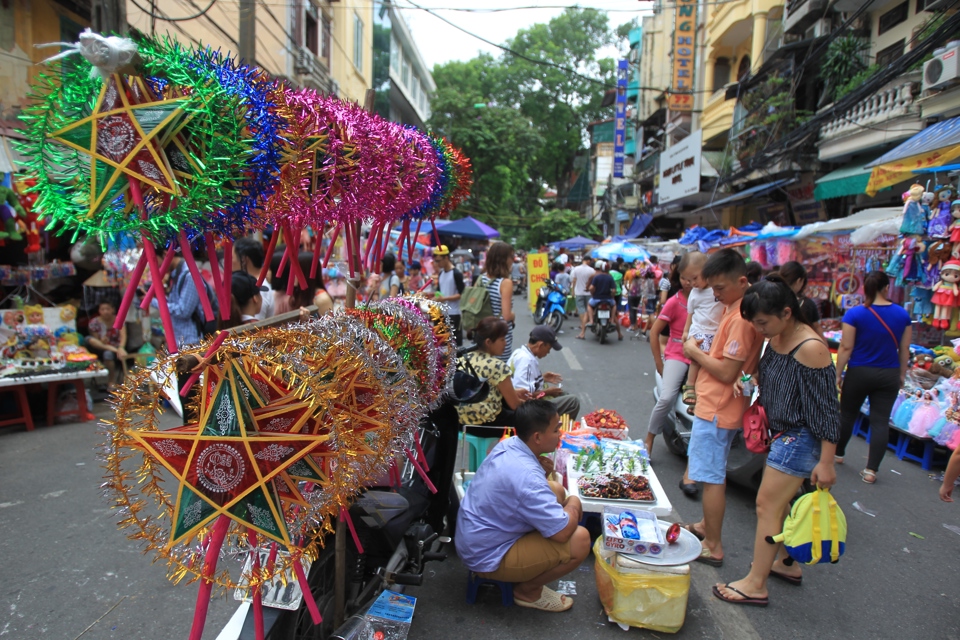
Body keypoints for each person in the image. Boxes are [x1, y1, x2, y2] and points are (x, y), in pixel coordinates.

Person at [712, 275, 839, 607]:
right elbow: (774, 377)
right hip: (781, 433)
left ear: (786, 312)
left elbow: (827, 411)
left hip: (799, 438)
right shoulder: (779, 336)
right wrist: (750, 380)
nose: (760, 330)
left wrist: (826, 462)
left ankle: (756, 583)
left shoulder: (810, 347)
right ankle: (785, 563)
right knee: (777, 505)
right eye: (755, 324)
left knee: (767, 505)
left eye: (763, 322)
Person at [455, 400, 590, 612]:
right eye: (556, 429)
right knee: (579, 539)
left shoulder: (509, 444)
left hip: (477, 537)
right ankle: (528, 591)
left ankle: (529, 571)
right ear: (537, 437)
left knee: (555, 489)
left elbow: (523, 490)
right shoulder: (527, 477)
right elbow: (563, 533)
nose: (560, 433)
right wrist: (575, 502)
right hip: (487, 555)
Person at [681, 249, 763, 567]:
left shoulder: (741, 317)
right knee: (711, 472)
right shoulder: (735, 309)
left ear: (742, 282)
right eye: (711, 288)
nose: (713, 295)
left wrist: (692, 350)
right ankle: (706, 527)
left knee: (710, 476)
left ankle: (713, 544)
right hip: (719, 403)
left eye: (719, 288)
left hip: (717, 405)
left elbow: (728, 372)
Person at [834, 271, 911, 484]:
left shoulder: (855, 314)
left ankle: (838, 454)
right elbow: (904, 349)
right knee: (880, 422)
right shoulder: (902, 315)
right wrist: (902, 374)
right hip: (889, 373)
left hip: (859, 371)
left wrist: (838, 373)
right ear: (886, 288)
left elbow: (846, 346)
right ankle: (871, 471)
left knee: (847, 414)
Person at [645, 253, 693, 459]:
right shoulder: (674, 301)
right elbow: (654, 332)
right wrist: (658, 361)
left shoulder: (713, 302)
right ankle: (649, 439)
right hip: (677, 356)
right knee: (666, 398)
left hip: (704, 357)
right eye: (684, 277)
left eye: (693, 278)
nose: (688, 282)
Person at [456, 317, 527, 431]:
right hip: (486, 423)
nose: (506, 343)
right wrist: (532, 404)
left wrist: (514, 392)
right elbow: (515, 405)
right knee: (531, 419)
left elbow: (481, 389)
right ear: (488, 342)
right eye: (502, 339)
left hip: (460, 423)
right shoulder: (497, 365)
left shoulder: (463, 359)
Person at [681, 253, 725, 413]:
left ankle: (702, 397)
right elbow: (690, 314)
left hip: (717, 332)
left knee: (710, 366)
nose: (692, 283)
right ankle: (691, 385)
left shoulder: (717, 289)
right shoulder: (694, 293)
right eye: (688, 280)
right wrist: (686, 331)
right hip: (700, 331)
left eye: (695, 278)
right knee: (697, 362)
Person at [509, 326, 580, 419]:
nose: (549, 352)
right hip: (527, 410)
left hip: (529, 402)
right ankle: (556, 430)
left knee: (564, 394)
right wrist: (547, 392)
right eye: (549, 348)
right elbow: (524, 397)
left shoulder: (520, 352)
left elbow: (524, 380)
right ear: (541, 345)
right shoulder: (525, 361)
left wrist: (542, 378)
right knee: (573, 402)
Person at [153, 246, 202, 350]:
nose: (156, 267)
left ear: (165, 254)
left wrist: (154, 302)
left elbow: (183, 311)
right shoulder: (176, 274)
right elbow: (174, 303)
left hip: (191, 343)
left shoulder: (189, 275)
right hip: (178, 342)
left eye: (155, 261)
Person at [480, 242, 516, 362]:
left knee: (484, 369)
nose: (513, 260)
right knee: (499, 371)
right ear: (504, 259)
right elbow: (506, 316)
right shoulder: (505, 283)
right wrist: (513, 315)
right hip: (499, 334)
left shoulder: (481, 278)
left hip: (483, 332)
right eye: (511, 256)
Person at [779, 261, 825, 341]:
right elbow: (816, 327)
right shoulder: (807, 304)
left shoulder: (772, 298)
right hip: (801, 345)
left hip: (776, 345)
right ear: (799, 281)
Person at [86, 301, 127, 389]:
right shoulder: (94, 322)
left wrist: (121, 347)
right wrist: (102, 340)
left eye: (108, 309)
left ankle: (111, 381)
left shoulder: (119, 319)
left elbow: (123, 336)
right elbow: (96, 340)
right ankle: (112, 349)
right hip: (101, 346)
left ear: (113, 310)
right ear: (99, 311)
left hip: (116, 346)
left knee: (108, 354)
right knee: (88, 339)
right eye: (103, 309)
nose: (105, 311)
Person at [232, 236, 274, 320]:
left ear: (244, 260)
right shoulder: (252, 284)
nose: (228, 262)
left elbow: (255, 327)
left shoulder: (257, 289)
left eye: (231, 258)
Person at [433, 245, 465, 346]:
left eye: (439, 261)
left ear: (446, 258)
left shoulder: (456, 273)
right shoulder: (441, 273)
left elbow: (462, 294)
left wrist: (445, 298)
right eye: (436, 261)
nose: (437, 264)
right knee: (442, 344)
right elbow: (439, 291)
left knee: (454, 344)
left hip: (454, 313)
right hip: (442, 313)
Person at [587, 261, 623, 341]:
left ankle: (591, 320)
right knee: (614, 306)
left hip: (596, 299)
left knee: (589, 305)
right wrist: (612, 296)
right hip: (608, 299)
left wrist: (593, 294)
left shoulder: (596, 277)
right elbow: (614, 290)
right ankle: (612, 319)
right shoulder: (610, 278)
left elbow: (591, 288)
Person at [571, 257, 596, 339]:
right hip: (588, 292)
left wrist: (573, 290)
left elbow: (574, 280)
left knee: (581, 309)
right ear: (588, 261)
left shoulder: (576, 269)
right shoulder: (592, 270)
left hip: (579, 292)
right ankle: (586, 323)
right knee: (588, 309)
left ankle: (583, 324)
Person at [640, 268, 658, 337]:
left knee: (651, 314)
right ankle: (644, 330)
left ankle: (656, 330)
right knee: (651, 313)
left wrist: (645, 297)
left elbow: (646, 290)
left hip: (649, 298)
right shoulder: (654, 280)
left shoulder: (647, 281)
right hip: (654, 297)